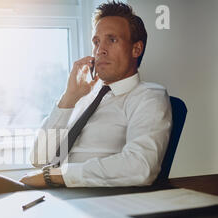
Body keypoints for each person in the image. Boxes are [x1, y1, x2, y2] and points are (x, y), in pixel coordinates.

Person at [20, 1, 172, 188]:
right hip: (59, 194)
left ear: (136, 49)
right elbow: (38, 158)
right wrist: (69, 98)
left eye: (112, 40)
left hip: (96, 199)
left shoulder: (148, 97)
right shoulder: (85, 97)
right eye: (96, 41)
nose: (100, 49)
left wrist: (55, 176)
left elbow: (140, 167)